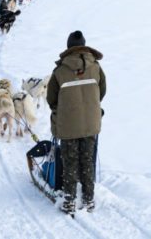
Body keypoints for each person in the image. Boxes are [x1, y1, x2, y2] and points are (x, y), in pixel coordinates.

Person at [47, 30, 106, 216]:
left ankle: (70, 200)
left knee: (70, 162)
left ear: (68, 47)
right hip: (91, 122)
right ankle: (89, 199)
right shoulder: (96, 67)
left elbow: (51, 99)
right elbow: (102, 92)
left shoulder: (59, 71)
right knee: (87, 160)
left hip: (68, 124)